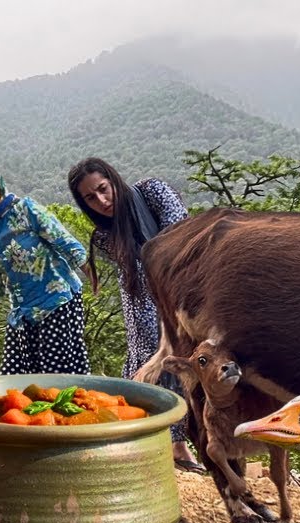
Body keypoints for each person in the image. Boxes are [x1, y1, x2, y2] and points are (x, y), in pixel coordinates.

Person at [67, 157, 204, 472]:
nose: (102, 201)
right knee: (150, 363)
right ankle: (172, 445)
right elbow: (133, 269)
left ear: (113, 179)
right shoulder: (104, 235)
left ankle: (205, 442)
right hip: (141, 297)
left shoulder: (153, 192)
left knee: (195, 362)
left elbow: (180, 234)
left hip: (183, 287)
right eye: (90, 197)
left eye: (103, 189)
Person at [0, 157, 91, 375]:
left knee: (56, 382)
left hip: (57, 303)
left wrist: (93, 275)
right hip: (22, 314)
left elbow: (66, 242)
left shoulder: (25, 210)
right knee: (14, 382)